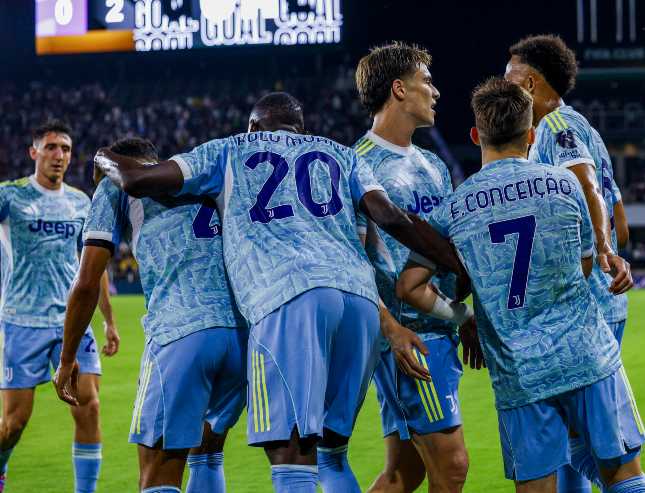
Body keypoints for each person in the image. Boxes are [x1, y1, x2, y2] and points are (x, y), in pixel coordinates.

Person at [92, 92, 466, 493]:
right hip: (360, 304)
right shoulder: (342, 154)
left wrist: (103, 157)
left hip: (288, 296)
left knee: (292, 457)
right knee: (332, 455)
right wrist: (458, 262)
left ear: (253, 126)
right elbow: (393, 217)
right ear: (300, 129)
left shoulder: (231, 149)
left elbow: (137, 180)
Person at [397, 78, 645, 493]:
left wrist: (466, 315)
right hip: (587, 355)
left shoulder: (453, 210)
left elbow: (410, 287)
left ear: (476, 135)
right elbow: (585, 264)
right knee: (624, 475)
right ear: (531, 135)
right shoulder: (565, 185)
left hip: (520, 373)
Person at [54, 138, 248, 493]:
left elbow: (86, 282)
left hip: (180, 330)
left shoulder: (114, 186)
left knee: (158, 472)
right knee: (207, 454)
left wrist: (66, 359)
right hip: (240, 335)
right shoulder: (199, 173)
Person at [504, 35, 634, 491]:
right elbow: (621, 220)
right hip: (601, 300)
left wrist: (601, 250)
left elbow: (587, 185)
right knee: (569, 437)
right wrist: (610, 244)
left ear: (530, 83)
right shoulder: (585, 129)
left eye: (509, 78)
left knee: (587, 446)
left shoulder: (556, 127)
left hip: (583, 305)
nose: (503, 87)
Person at [354, 42, 482, 493]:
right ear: (398, 89)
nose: (436, 91)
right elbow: (351, 262)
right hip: (411, 339)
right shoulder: (357, 164)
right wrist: (390, 330)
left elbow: (446, 254)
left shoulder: (433, 165)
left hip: (439, 328)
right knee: (452, 466)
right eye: (426, 81)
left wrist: (460, 314)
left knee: (403, 473)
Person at [0, 120, 119, 493]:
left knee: (90, 407)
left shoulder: (81, 202)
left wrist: (109, 321)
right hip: (21, 320)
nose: (59, 155)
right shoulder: (10, 196)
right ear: (33, 152)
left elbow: (93, 266)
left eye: (65, 148)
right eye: (51, 147)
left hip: (72, 321)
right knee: (14, 423)